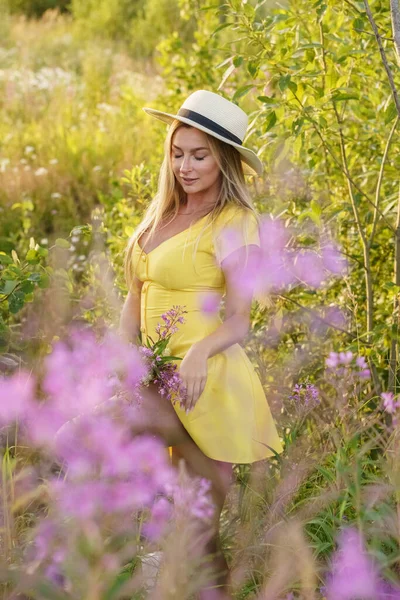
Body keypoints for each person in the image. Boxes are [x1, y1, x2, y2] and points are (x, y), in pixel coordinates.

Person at [119, 89, 283, 599]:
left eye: (200, 155)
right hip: (150, 376)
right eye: (177, 152)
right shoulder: (159, 216)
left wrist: (195, 352)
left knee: (199, 533)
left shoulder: (236, 223)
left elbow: (239, 321)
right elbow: (135, 298)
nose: (185, 166)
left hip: (204, 385)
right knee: (115, 477)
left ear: (224, 160)